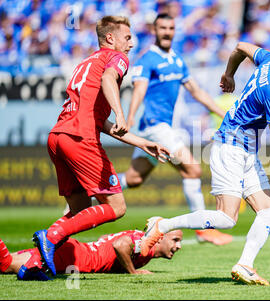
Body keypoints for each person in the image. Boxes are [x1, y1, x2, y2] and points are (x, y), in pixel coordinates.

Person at [140, 35, 270, 286]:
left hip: (245, 151)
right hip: (231, 148)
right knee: (226, 218)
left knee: (269, 213)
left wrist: (229, 75)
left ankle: (244, 265)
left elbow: (240, 47)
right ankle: (163, 225)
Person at [32, 16, 170, 277]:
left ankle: (35, 262)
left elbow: (98, 120)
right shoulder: (115, 58)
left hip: (57, 137)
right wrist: (120, 112)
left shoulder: (86, 63)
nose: (131, 43)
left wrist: (141, 142)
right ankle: (51, 236)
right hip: (80, 139)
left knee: (79, 210)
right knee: (117, 207)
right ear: (111, 38)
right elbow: (109, 80)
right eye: (127, 38)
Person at [118, 13, 232, 246]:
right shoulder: (148, 59)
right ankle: (204, 230)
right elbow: (139, 90)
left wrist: (224, 114)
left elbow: (197, 92)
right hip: (154, 125)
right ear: (155, 30)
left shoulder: (177, 61)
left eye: (171, 27)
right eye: (162, 28)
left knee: (134, 179)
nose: (167, 32)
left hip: (155, 128)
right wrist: (128, 118)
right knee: (192, 170)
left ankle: (91, 192)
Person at [0, 230, 183, 280]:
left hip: (77, 252)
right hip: (76, 259)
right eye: (175, 239)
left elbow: (105, 238)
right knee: (6, 265)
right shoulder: (146, 245)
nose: (179, 245)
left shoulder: (143, 242)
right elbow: (119, 245)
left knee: (4, 263)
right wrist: (133, 272)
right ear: (160, 237)